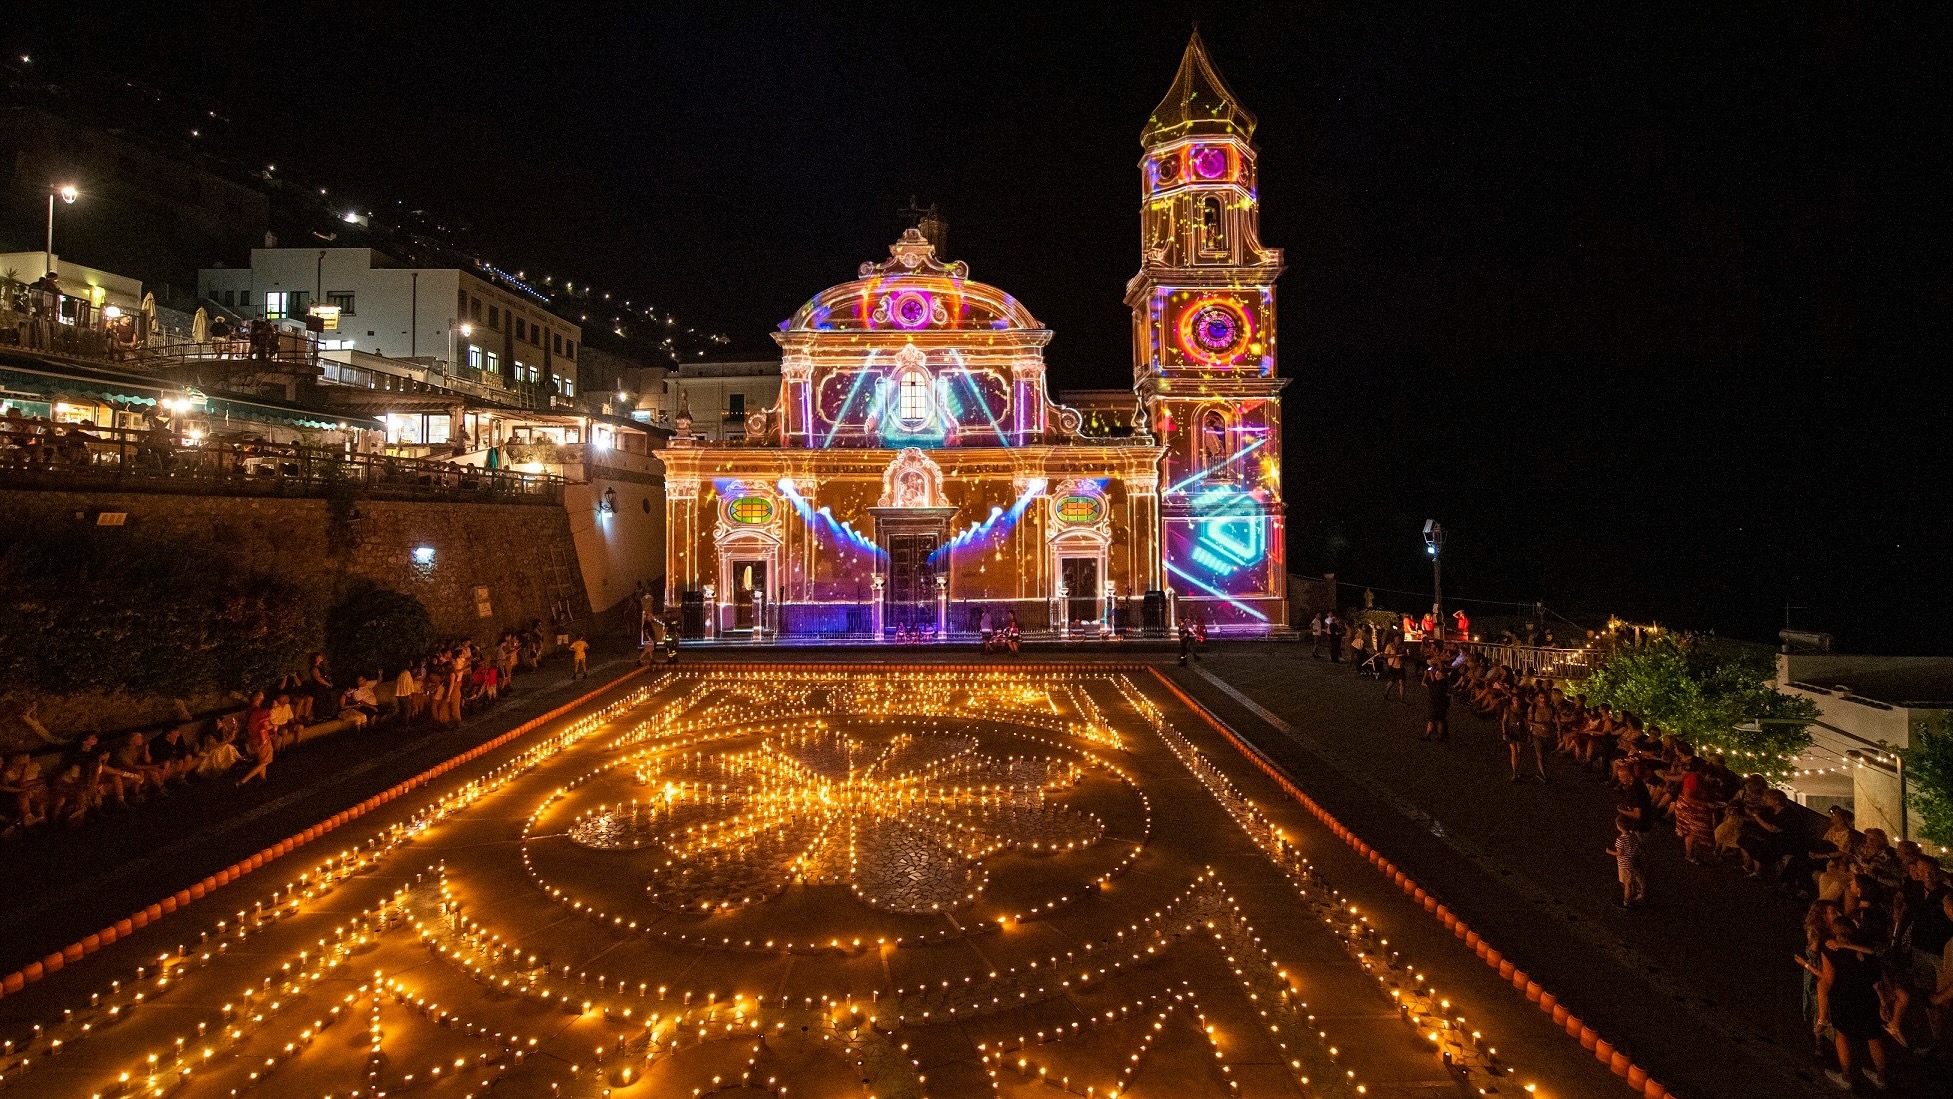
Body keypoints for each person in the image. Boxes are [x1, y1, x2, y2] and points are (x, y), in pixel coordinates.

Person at [1817, 902, 1892, 1090]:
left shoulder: (1830, 949)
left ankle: (1846, 1076)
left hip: (1843, 997)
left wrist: (1822, 1011)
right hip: (1867, 998)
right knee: (1873, 1037)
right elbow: (1876, 973)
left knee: (1842, 1035)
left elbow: (1829, 978)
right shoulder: (1863, 947)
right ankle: (1881, 1079)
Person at [237, 692, 274, 786]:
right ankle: (243, 781)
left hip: (252, 739)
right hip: (262, 740)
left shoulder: (251, 711)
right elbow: (264, 727)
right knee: (265, 762)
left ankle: (263, 779)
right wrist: (272, 726)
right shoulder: (263, 713)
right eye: (260, 698)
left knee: (262, 760)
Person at [1609, 815, 1645, 907]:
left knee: (1627, 884)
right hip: (1632, 862)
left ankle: (1626, 902)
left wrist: (1609, 852)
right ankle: (1632, 894)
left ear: (1619, 827)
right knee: (1631, 881)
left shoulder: (1620, 840)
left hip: (1624, 865)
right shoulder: (1633, 836)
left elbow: (1619, 853)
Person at [1419, 658, 1451, 743]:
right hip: (1443, 703)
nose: (1436, 674)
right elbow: (1434, 680)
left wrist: (1426, 674)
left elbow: (1424, 683)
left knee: (1431, 719)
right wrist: (1431, 671)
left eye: (1437, 674)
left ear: (1441, 675)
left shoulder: (1436, 685)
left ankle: (1428, 735)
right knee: (1440, 719)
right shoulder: (1444, 682)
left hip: (1435, 703)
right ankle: (1440, 736)